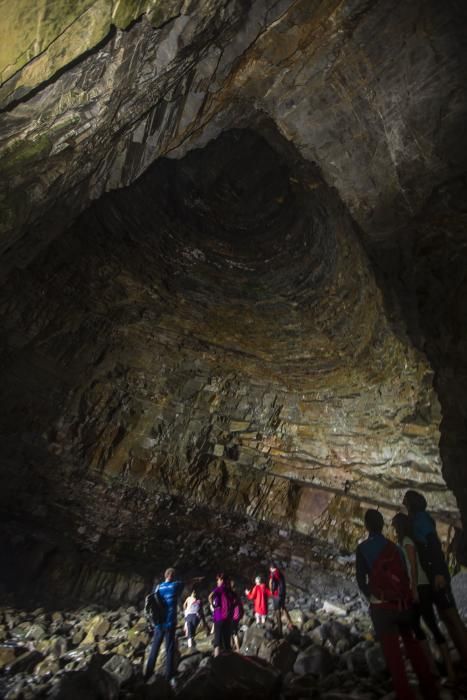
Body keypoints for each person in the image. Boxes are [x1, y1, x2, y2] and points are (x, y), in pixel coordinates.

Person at [356, 508, 439, 700]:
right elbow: (405, 575)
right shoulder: (395, 548)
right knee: (413, 646)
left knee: (394, 657)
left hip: (382, 609)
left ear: (367, 526)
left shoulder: (363, 549)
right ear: (382, 525)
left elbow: (361, 580)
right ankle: (430, 689)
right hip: (403, 606)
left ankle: (405, 694)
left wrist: (373, 597)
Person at [403, 489, 467, 666]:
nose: (403, 503)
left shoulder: (422, 519)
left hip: (437, 573)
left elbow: (433, 544)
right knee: (446, 617)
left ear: (412, 503)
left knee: (451, 616)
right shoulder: (417, 519)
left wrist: (439, 572)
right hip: (432, 574)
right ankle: (463, 657)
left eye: (406, 500)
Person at [392, 512, 454, 681]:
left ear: (399, 526)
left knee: (425, 627)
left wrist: (413, 590)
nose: (393, 529)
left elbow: (412, 566)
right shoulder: (413, 539)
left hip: (419, 587)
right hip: (422, 586)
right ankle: (442, 669)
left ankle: (439, 669)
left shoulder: (406, 541)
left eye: (394, 526)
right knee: (425, 626)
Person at [144, 567, 183, 685]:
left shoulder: (159, 587)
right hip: (170, 622)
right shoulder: (175, 585)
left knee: (154, 648)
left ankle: (148, 674)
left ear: (165, 575)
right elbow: (183, 585)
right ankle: (169, 675)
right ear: (173, 576)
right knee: (169, 649)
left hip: (159, 623)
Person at [208, 573, 235, 656]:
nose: (217, 581)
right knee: (227, 636)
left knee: (218, 636)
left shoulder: (219, 589)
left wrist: (211, 605)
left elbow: (210, 596)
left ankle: (217, 657)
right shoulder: (229, 589)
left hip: (218, 613)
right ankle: (228, 656)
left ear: (222, 580)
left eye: (218, 580)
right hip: (228, 615)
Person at [269, 563, 293, 636]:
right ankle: (290, 623)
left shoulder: (274, 573)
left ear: (271, 568)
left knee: (277, 612)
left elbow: (271, 582)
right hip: (282, 594)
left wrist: (271, 591)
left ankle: (280, 631)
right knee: (283, 607)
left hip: (277, 595)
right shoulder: (280, 573)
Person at [230, 580, 244, 651]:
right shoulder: (236, 593)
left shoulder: (231, 594)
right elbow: (240, 604)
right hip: (237, 614)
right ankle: (233, 646)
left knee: (233, 632)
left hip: (233, 615)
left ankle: (237, 648)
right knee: (233, 631)